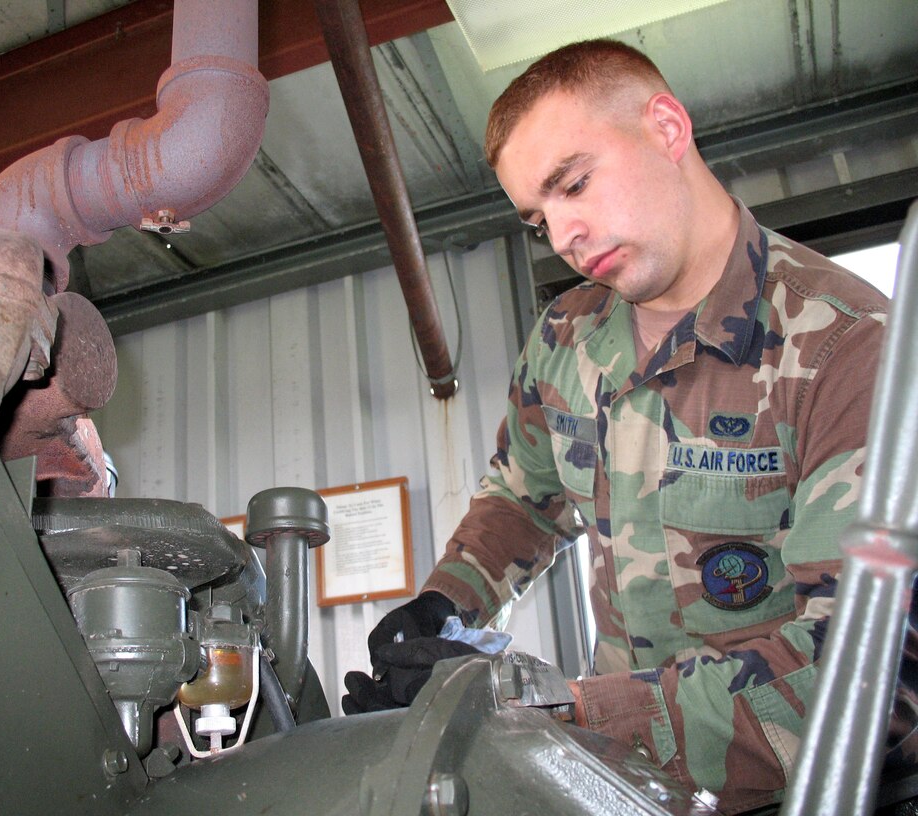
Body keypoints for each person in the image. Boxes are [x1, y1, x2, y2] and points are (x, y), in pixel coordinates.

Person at [342, 39, 917, 813]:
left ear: (668, 129)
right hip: (633, 790)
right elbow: (523, 498)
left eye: (575, 184)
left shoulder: (848, 348)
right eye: (539, 219)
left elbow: (866, 675)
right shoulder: (565, 338)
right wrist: (448, 602)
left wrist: (560, 715)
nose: (565, 234)